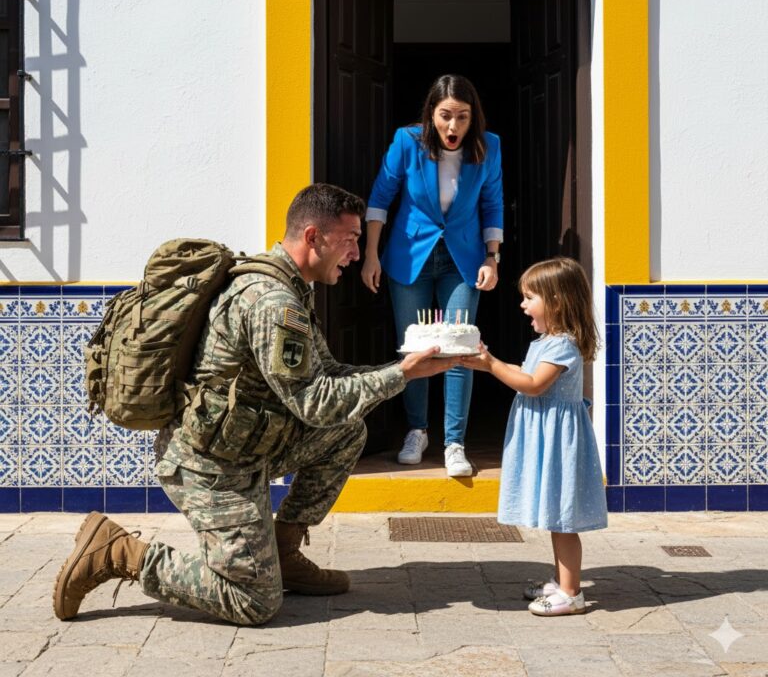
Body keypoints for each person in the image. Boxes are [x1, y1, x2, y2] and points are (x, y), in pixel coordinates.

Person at [53, 183, 459, 626]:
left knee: (346, 431)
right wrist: (402, 375)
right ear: (312, 237)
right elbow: (315, 402)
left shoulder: (287, 286)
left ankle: (282, 554)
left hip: (244, 449)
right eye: (350, 239)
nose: (357, 253)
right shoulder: (272, 302)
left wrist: (407, 364)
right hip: (209, 467)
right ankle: (119, 551)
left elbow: (325, 376)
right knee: (253, 601)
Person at [361, 74, 504, 477]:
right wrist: (371, 254)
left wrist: (492, 258)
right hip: (410, 257)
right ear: (431, 115)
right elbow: (380, 197)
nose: (453, 127)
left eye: (462, 116)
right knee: (415, 349)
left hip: (463, 259)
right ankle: (417, 430)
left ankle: (455, 442)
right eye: (445, 116)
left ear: (473, 117)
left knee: (458, 347)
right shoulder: (407, 141)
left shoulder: (488, 146)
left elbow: (492, 204)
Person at [461, 257, 607, 616]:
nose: (523, 305)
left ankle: (571, 594)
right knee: (556, 514)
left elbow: (534, 385)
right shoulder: (546, 342)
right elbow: (523, 372)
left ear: (555, 301)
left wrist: (492, 366)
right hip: (548, 438)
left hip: (558, 443)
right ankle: (561, 583)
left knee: (563, 518)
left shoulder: (562, 345)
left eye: (530, 297)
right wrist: (489, 361)